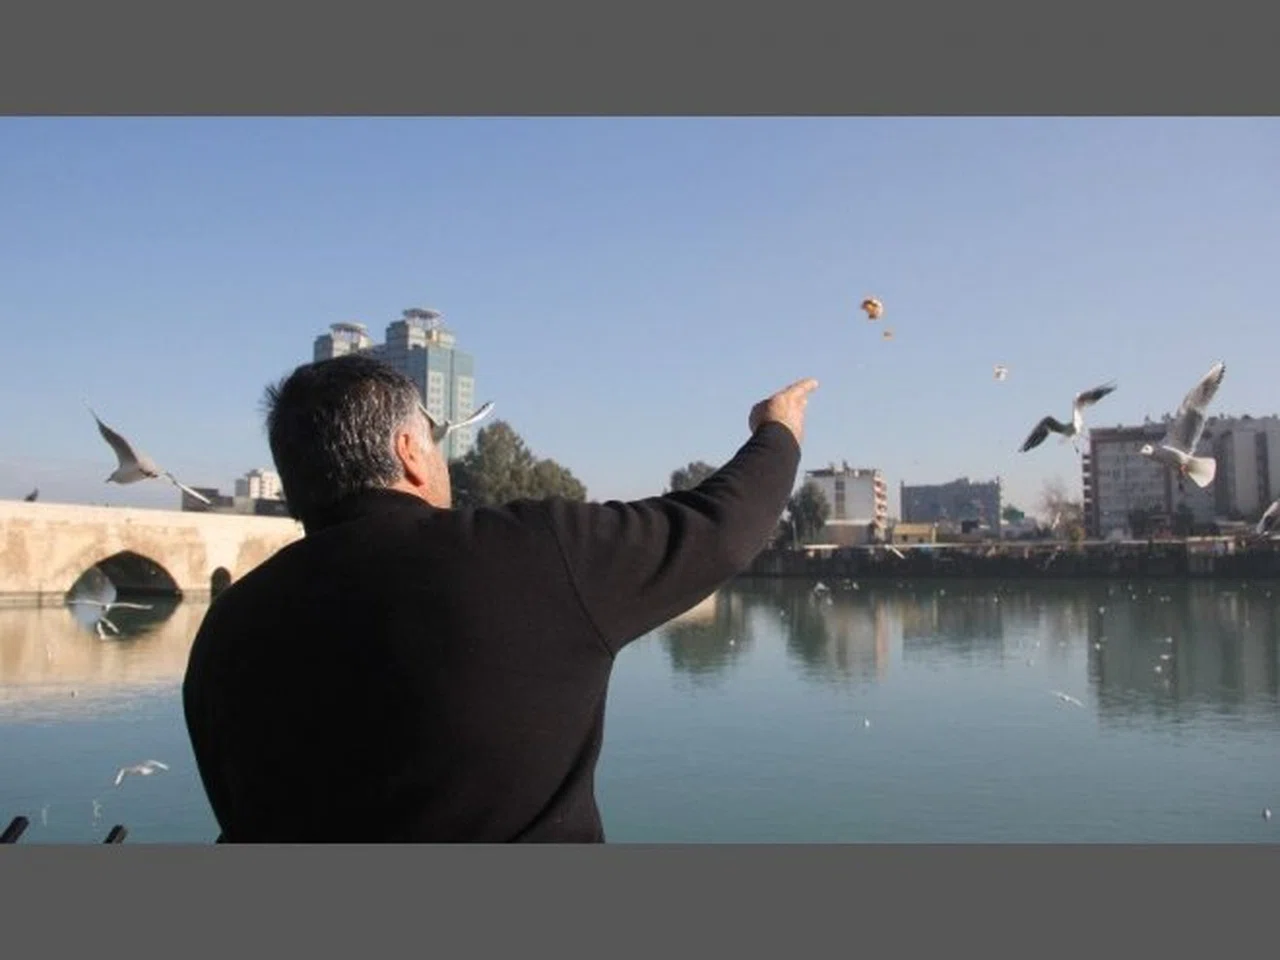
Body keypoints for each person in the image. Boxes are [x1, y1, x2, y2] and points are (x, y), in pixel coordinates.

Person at [181, 354, 816, 842]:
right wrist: (777, 431)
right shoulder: (527, 555)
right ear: (409, 452)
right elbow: (719, 527)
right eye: (432, 440)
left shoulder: (227, 628)